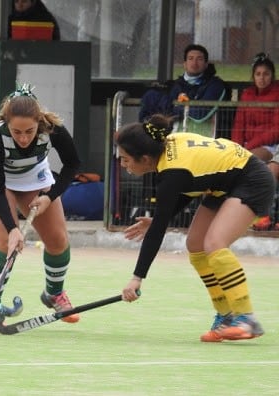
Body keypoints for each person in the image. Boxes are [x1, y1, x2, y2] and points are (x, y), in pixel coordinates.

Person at [116, 114, 274, 342]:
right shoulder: (165, 153)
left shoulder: (171, 173)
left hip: (252, 180)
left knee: (214, 243)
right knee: (196, 244)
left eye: (126, 159)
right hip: (223, 184)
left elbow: (159, 229)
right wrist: (160, 218)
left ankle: (247, 317)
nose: (123, 165)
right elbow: (193, 181)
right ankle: (226, 315)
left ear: (146, 158)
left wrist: (137, 278)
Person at [0, 84, 81, 324]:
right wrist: (12, 229)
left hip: (32, 172)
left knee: (57, 240)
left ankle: (54, 293)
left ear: (39, 122)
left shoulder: (53, 129)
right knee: (4, 241)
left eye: (29, 131)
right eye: (17, 132)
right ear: (6, 122)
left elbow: (72, 165)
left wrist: (50, 197)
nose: (23, 138)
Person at [231, 52, 279, 231]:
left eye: (266, 74)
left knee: (249, 163)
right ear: (253, 76)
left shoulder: (277, 93)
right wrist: (235, 146)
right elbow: (238, 124)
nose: (262, 78)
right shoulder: (247, 94)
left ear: (272, 76)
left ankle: (261, 215)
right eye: (258, 74)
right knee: (232, 164)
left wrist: (249, 147)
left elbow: (276, 129)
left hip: (269, 145)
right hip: (247, 145)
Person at [139, 44, 227, 136]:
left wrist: (178, 108)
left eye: (199, 59)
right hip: (173, 138)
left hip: (205, 140)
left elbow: (200, 114)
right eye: (190, 58)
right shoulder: (174, 85)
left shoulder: (215, 85)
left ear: (206, 65)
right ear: (184, 64)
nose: (194, 63)